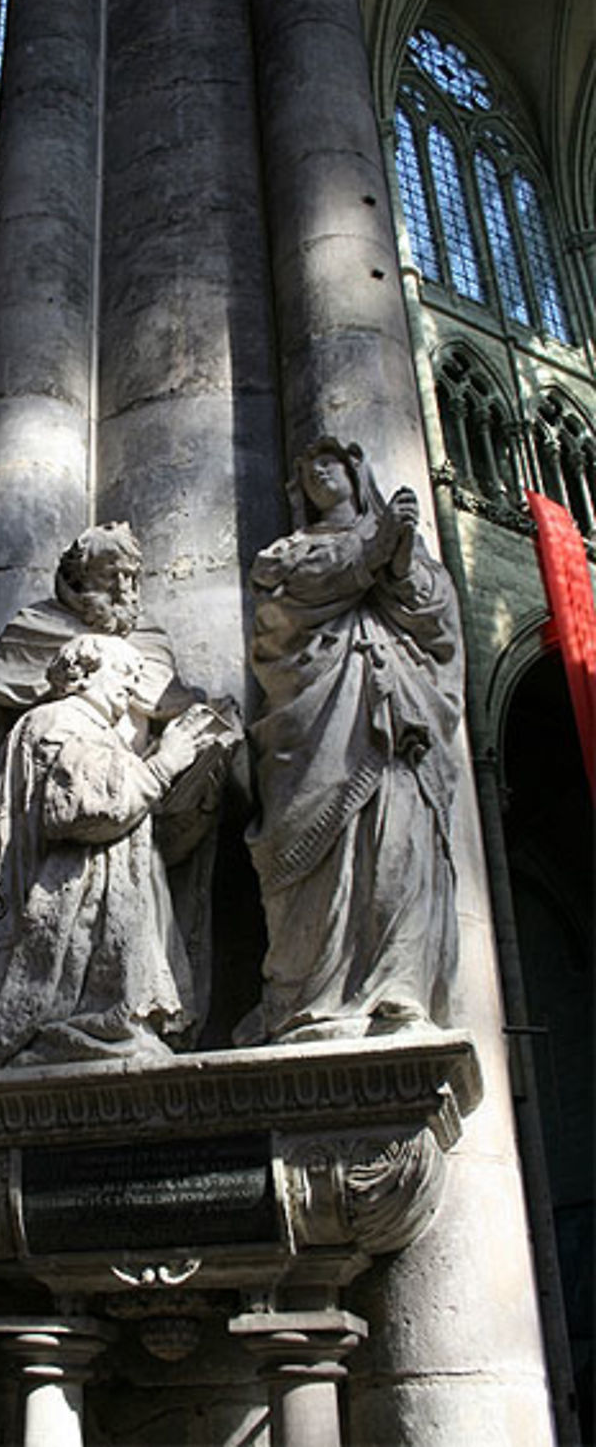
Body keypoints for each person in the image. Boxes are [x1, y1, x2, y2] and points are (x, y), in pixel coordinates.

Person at [0, 522, 237, 1027]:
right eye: (114, 577)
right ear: (80, 580)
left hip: (127, 810)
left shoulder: (146, 640)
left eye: (134, 577)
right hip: (55, 814)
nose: (127, 590)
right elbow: (12, 731)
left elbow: (169, 703)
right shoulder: (36, 636)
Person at [0, 635, 209, 1075]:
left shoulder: (83, 727)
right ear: (83, 674)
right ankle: (77, 1027)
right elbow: (82, 809)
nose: (131, 685)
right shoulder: (59, 721)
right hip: (56, 926)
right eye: (123, 672)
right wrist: (166, 762)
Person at [236, 437, 464, 1045]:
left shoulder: (404, 548)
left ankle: (400, 990)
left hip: (394, 726)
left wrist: (400, 555)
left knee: (398, 848)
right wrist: (374, 552)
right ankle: (313, 999)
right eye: (307, 467)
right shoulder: (288, 554)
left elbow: (435, 614)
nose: (317, 473)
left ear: (356, 473)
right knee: (323, 859)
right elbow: (286, 609)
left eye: (329, 463)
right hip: (317, 725)